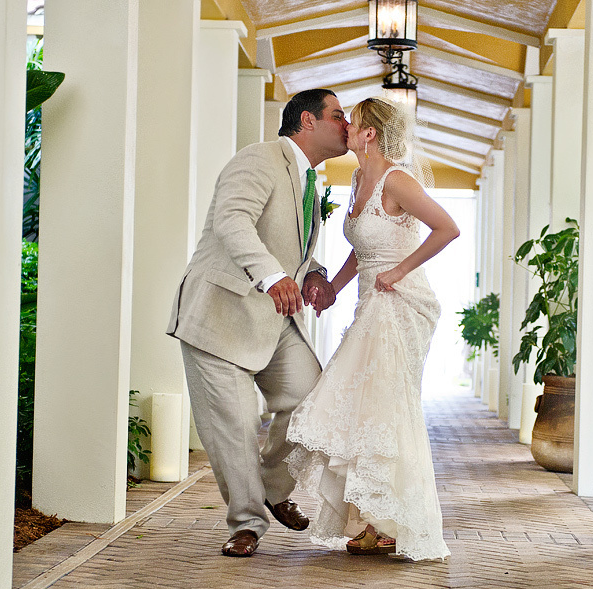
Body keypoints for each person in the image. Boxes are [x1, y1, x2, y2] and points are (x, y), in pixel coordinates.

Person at [166, 89, 348, 557]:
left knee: (313, 401)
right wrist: (272, 276)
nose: (346, 125)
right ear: (307, 121)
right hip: (220, 315)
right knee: (235, 426)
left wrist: (315, 275)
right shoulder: (259, 159)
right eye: (338, 116)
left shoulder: (309, 181)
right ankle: (246, 522)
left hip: (274, 318)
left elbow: (296, 251)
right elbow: (232, 220)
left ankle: (269, 485)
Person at [285, 97, 460, 561]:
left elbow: (447, 229)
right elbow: (361, 249)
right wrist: (335, 288)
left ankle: (390, 521)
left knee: (382, 407)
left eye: (352, 122)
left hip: (400, 305)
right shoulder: (358, 179)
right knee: (367, 411)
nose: (344, 128)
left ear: (369, 134)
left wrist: (400, 272)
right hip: (368, 300)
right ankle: (373, 521)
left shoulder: (396, 179)